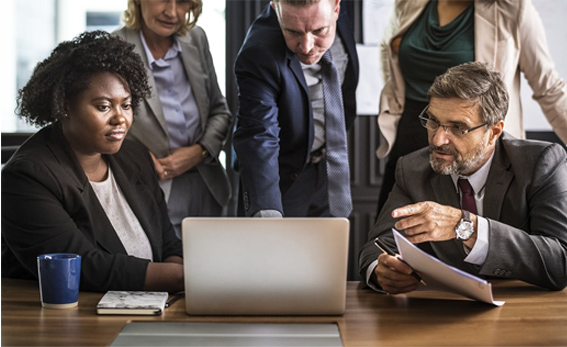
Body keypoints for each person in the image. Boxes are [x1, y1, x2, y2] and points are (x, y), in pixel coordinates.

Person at [359, 62, 567, 293]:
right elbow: (378, 245)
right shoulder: (412, 169)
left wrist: (466, 226)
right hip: (444, 310)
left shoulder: (540, 163)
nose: (438, 140)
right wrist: (380, 270)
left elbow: (560, 262)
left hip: (524, 310)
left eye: (458, 128)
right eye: (433, 121)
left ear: (494, 132)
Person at [1, 31, 184, 293]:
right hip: (69, 320)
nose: (120, 118)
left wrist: (177, 286)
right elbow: (84, 268)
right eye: (104, 107)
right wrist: (180, 279)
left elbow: (168, 244)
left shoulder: (135, 157)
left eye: (127, 105)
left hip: (151, 309)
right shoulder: (28, 176)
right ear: (65, 106)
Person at [375, 0, 567, 216]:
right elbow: (389, 51)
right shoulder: (411, 3)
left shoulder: (514, 9)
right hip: (412, 131)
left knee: (473, 235)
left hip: (474, 143)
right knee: (395, 232)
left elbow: (549, 88)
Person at [114, 0, 233, 237]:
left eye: (182, 2)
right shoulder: (115, 47)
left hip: (207, 184)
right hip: (149, 186)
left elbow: (220, 111)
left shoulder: (196, 38)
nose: (172, 12)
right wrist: (142, 159)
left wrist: (199, 151)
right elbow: (104, 123)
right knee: (170, 270)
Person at [233, 0, 359, 218]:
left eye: (319, 30)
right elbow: (258, 135)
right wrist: (266, 211)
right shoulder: (259, 53)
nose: (307, 46)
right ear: (275, 8)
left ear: (337, 8)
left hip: (330, 168)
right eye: (293, 31)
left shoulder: (338, 7)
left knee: (329, 250)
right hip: (283, 178)